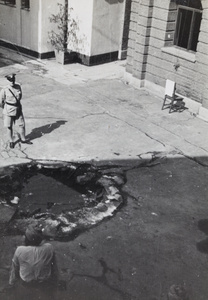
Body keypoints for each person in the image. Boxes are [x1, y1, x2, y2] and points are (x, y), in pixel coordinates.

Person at [7, 224, 57, 300]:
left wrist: (11, 283)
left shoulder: (20, 250)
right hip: (44, 280)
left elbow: (14, 269)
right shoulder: (49, 247)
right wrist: (56, 280)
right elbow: (54, 266)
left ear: (27, 239)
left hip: (27, 282)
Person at [0, 73, 32, 149]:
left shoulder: (18, 87)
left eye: (13, 80)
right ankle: (11, 141)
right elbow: (0, 102)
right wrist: (5, 108)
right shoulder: (4, 89)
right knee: (9, 126)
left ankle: (23, 139)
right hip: (8, 110)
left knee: (22, 125)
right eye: (10, 80)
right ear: (7, 81)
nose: (12, 82)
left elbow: (20, 96)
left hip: (18, 108)